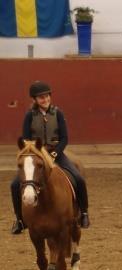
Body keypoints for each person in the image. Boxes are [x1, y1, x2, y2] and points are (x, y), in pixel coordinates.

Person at [10, 81, 90, 234]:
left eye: (47, 96)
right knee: (14, 185)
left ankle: (84, 213)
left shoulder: (58, 113)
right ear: (34, 100)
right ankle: (19, 219)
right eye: (41, 98)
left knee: (78, 178)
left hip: (56, 153)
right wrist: (36, 154)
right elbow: (26, 139)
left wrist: (55, 153)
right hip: (37, 156)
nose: (45, 99)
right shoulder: (29, 116)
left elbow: (65, 138)